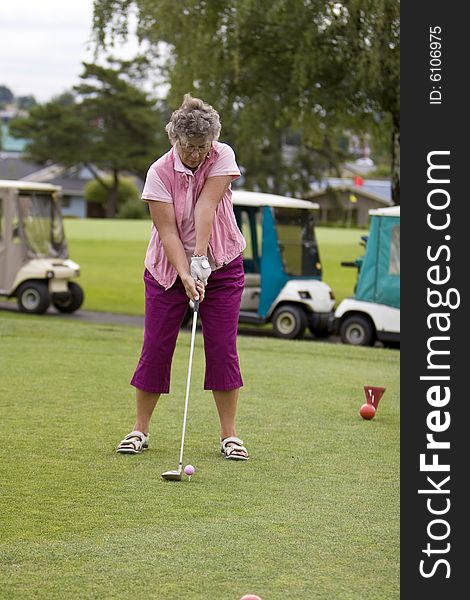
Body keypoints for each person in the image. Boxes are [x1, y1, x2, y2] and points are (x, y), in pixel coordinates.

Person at [117, 93, 249, 460]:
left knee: (222, 348)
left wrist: (202, 260)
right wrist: (185, 271)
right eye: (189, 146)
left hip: (222, 264)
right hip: (166, 270)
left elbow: (207, 205)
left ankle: (230, 436)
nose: (195, 154)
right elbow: (169, 231)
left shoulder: (222, 155)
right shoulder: (159, 172)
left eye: (202, 147)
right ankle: (139, 430)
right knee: (157, 346)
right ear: (175, 140)